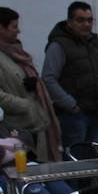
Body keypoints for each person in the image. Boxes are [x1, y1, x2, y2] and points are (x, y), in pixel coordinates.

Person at [42, 2, 98, 150]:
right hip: (74, 116)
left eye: (90, 20)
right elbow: (48, 79)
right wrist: (71, 105)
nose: (86, 24)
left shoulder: (94, 43)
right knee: (76, 162)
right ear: (69, 22)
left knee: (93, 160)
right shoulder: (58, 46)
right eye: (81, 20)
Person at [0, 8, 60, 161]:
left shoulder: (15, 52)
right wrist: (26, 105)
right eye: (14, 26)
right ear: (1, 28)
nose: (18, 31)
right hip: (12, 132)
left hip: (32, 125)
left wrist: (33, 84)